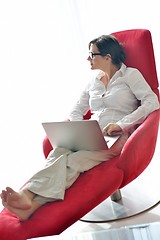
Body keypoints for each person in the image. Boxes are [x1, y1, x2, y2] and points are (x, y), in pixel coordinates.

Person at [1, 35, 159, 221]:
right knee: (57, 152)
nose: (88, 59)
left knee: (76, 160)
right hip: (91, 134)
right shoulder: (93, 82)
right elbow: (77, 109)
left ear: (107, 57)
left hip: (116, 138)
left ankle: (28, 198)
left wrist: (121, 124)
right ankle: (28, 202)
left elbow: (152, 101)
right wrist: (78, 128)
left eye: (92, 54)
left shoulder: (131, 75)